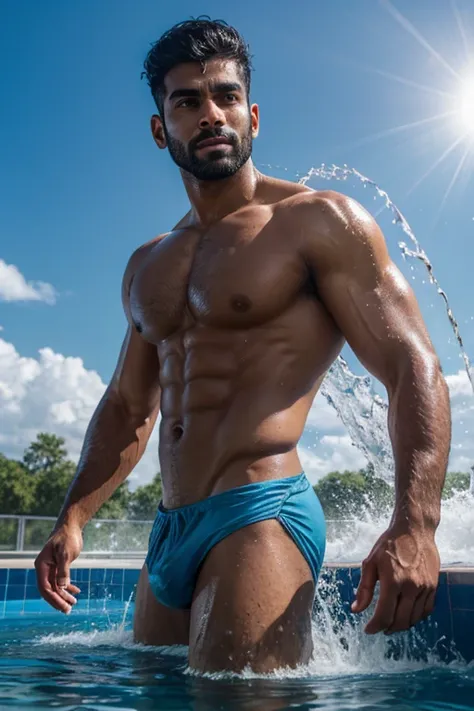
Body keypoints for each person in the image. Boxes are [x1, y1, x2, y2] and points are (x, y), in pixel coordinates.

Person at [34, 18, 451, 673]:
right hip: (170, 531)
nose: (211, 114)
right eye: (187, 102)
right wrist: (73, 518)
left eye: (226, 97)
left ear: (252, 114)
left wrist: (416, 525)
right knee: (154, 690)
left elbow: (412, 364)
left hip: (259, 513)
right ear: (158, 127)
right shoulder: (148, 263)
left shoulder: (317, 221)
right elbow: (126, 406)